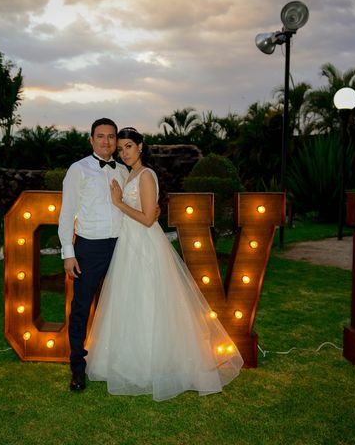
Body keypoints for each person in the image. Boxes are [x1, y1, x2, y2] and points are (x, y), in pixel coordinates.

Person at [86, 127, 243, 401]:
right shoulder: (129, 173)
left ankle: (156, 364)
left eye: (128, 147)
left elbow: (148, 218)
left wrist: (119, 202)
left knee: (149, 300)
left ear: (141, 147)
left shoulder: (146, 175)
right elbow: (150, 211)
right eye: (121, 148)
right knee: (130, 302)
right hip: (128, 243)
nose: (123, 152)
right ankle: (129, 361)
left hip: (144, 244)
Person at [58, 117, 129, 391]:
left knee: (119, 306)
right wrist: (68, 252)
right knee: (81, 309)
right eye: (101, 136)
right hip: (89, 247)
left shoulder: (123, 171)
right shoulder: (78, 170)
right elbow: (66, 214)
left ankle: (117, 361)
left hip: (122, 245)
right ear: (91, 139)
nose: (107, 141)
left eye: (111, 136)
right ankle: (78, 368)